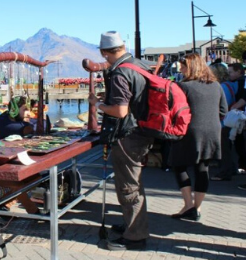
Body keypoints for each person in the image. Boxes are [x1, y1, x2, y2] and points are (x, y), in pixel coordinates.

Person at [87, 31, 154, 251]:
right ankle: (131, 225)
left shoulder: (120, 74)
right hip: (142, 131)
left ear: (105, 53)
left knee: (128, 187)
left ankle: (135, 236)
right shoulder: (139, 65)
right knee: (134, 183)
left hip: (127, 135)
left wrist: (98, 105)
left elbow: (120, 111)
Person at [169, 54, 227, 221]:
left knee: (178, 164)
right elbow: (223, 110)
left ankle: (188, 205)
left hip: (189, 130)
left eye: (184, 67)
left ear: (192, 67)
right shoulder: (216, 85)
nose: (181, 70)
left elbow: (174, 110)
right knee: (202, 168)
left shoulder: (182, 86)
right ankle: (197, 208)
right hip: (212, 131)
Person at [0, 96, 40, 214]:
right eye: (25, 109)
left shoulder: (13, 120)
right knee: (19, 182)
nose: (28, 113)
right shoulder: (3, 122)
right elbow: (28, 128)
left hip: (6, 161)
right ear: (14, 110)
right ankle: (34, 212)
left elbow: (42, 124)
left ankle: (3, 204)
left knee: (36, 177)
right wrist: (32, 123)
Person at [209, 63, 238, 181]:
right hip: (228, 121)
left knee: (223, 148)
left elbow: (220, 106)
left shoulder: (222, 87)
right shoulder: (230, 85)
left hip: (223, 122)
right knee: (226, 147)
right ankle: (230, 168)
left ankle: (225, 172)